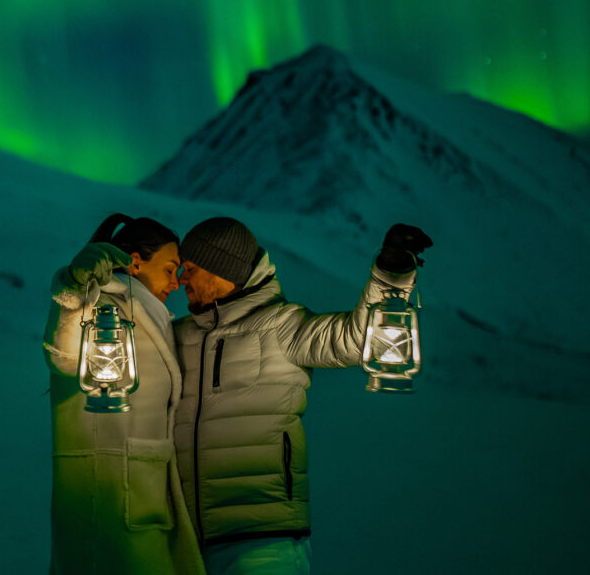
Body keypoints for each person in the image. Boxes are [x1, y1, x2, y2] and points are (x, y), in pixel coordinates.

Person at [171, 217, 432, 574]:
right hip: (184, 546)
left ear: (221, 270)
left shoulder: (283, 326)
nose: (180, 280)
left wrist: (390, 277)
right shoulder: (178, 334)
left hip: (264, 542)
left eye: (190, 269)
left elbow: (356, 339)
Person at [42, 214, 206, 575]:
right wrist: (75, 287)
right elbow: (64, 357)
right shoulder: (100, 304)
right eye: (169, 269)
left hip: (142, 495)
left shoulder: (154, 315)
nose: (176, 283)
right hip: (108, 499)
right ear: (134, 263)